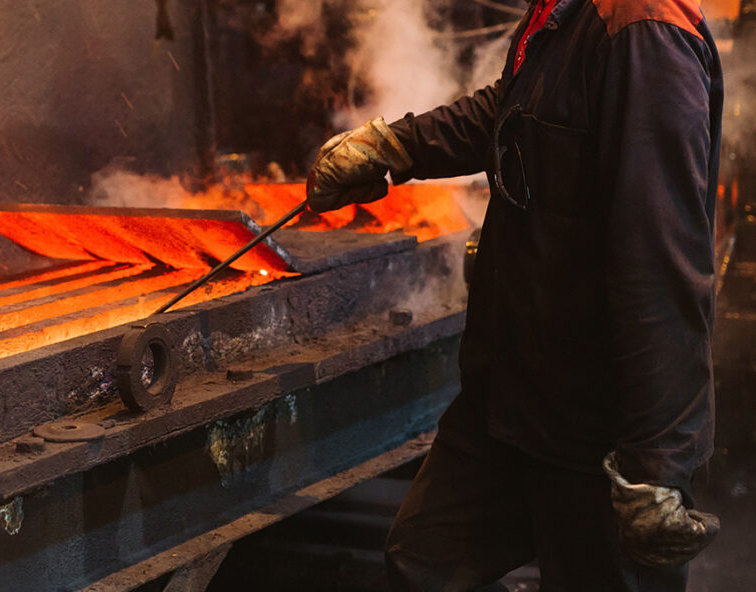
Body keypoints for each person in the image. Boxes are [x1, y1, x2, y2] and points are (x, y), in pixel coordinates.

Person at [305, 0, 725, 589]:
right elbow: (516, 112)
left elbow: (660, 261)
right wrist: (396, 147)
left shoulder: (641, 32)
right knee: (423, 563)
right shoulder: (567, 9)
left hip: (596, 430)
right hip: (513, 401)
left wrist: (659, 461)